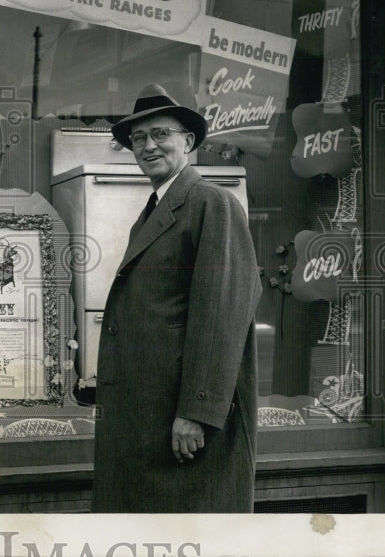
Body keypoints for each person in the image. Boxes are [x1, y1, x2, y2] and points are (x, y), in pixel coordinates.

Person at [91, 84, 262, 513]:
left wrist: (197, 413)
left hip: (180, 423)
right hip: (147, 419)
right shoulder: (157, 209)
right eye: (138, 139)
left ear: (188, 140)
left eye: (160, 134)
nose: (148, 146)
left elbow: (222, 316)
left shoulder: (211, 203)